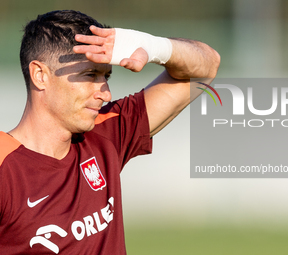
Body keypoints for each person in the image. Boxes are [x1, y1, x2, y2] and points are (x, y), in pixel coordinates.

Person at [0, 10, 220, 254]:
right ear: (40, 75)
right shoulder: (5, 169)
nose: (105, 93)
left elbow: (205, 69)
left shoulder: (105, 131)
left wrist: (151, 45)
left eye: (106, 76)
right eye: (90, 75)